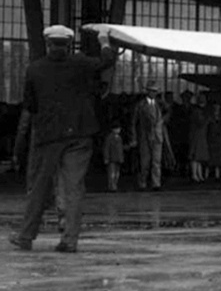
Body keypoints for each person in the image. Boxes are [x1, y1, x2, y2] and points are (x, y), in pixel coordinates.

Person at [9, 25, 117, 254]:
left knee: (39, 186)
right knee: (74, 188)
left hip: (49, 136)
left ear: (48, 43)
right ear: (69, 44)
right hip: (79, 134)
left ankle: (26, 237)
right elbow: (107, 61)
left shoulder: (35, 69)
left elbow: (30, 104)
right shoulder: (81, 63)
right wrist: (104, 40)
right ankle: (70, 240)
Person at [133, 85, 167, 191]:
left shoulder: (159, 104)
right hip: (145, 136)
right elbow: (133, 122)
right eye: (152, 91)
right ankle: (142, 182)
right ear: (147, 91)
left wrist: (163, 100)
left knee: (156, 161)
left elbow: (167, 110)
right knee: (145, 162)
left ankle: (156, 183)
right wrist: (134, 137)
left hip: (157, 136)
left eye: (155, 91)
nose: (154, 93)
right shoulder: (140, 105)